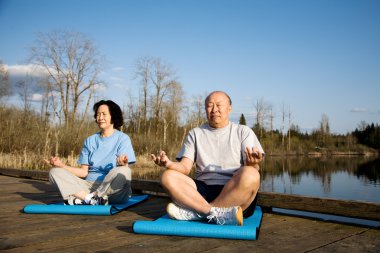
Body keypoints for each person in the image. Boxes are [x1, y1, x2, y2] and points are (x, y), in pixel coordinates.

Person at [151, 91, 264, 226]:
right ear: (205, 109)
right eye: (209, 106)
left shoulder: (243, 131)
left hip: (233, 191)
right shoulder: (195, 133)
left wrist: (252, 165)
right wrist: (169, 164)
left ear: (229, 108)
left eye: (219, 105)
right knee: (168, 176)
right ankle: (211, 213)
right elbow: (185, 168)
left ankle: (197, 214)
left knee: (251, 174)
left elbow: (252, 170)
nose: (214, 109)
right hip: (201, 194)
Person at [45, 100, 136, 205]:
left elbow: (124, 170)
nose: (100, 117)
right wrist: (61, 165)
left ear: (113, 116)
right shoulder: (90, 140)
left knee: (124, 171)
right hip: (88, 187)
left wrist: (122, 165)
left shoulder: (123, 139)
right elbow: (84, 172)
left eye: (104, 114)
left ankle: (92, 198)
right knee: (54, 172)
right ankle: (89, 199)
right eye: (98, 114)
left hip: (112, 190)